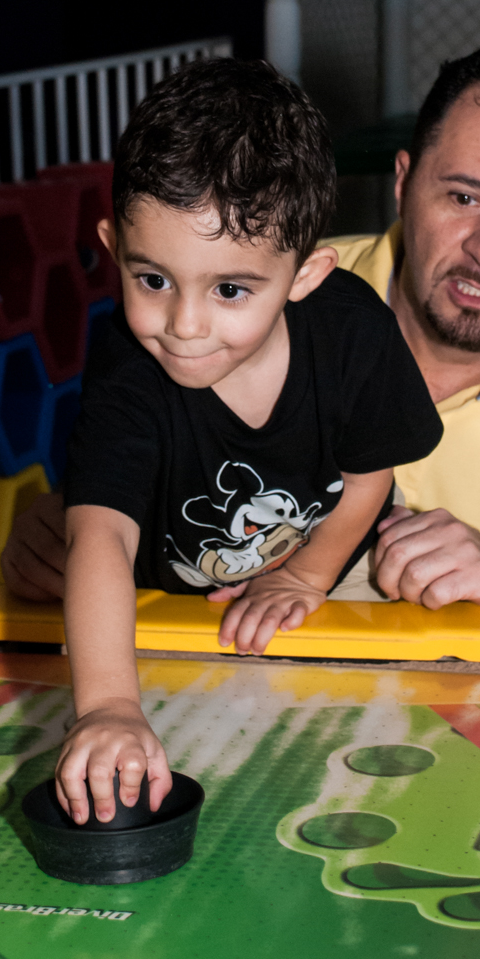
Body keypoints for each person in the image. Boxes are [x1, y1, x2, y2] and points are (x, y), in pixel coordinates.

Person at [2, 42, 480, 642]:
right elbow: (136, 473)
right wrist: (66, 529)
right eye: (463, 197)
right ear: (403, 184)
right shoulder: (240, 282)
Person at [55, 58, 442, 824]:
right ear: (112, 245)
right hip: (167, 600)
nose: (185, 325)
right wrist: (104, 706)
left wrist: (305, 576)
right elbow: (98, 532)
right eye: (153, 280)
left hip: (332, 567)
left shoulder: (351, 331)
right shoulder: (128, 370)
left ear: (306, 275)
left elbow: (369, 476)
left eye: (230, 289)